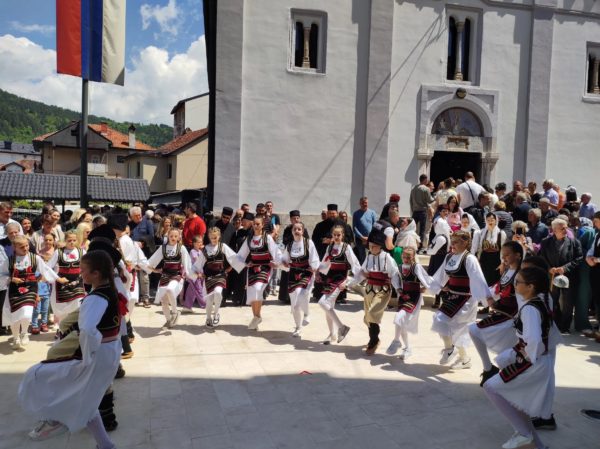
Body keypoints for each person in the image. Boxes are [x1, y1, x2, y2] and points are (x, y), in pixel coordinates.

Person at [19, 250, 122, 448]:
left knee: (37, 374)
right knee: (87, 401)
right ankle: (105, 445)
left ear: (96, 274)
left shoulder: (96, 298)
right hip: (108, 353)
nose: (80, 274)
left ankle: (55, 417)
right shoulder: (110, 290)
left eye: (83, 270)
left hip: (98, 356)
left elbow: (88, 330)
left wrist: (87, 355)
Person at [482, 266, 560, 449]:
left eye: (518, 282)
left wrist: (527, 356)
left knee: (491, 387)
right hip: (540, 361)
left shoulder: (530, 309)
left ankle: (524, 435)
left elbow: (534, 340)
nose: (514, 285)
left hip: (534, 363)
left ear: (530, 286)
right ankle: (537, 445)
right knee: (519, 403)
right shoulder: (540, 301)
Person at [429, 231, 493, 370]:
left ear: (465, 243)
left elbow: (478, 279)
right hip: (452, 297)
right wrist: (435, 286)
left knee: (452, 326)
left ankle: (451, 350)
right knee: (445, 323)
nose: (452, 244)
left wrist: (487, 297)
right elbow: (441, 276)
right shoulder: (449, 257)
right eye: (452, 241)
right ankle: (463, 358)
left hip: (466, 299)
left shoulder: (469, 259)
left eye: (456, 242)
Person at [469, 241, 523, 386]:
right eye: (502, 255)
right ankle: (490, 369)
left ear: (518, 255)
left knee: (475, 330)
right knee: (475, 331)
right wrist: (490, 299)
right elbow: (500, 290)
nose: (504, 258)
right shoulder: (507, 271)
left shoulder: (521, 274)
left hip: (512, 316)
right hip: (502, 312)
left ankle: (493, 371)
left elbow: (521, 298)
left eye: (507, 255)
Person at [1, 236, 59, 350]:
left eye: (26, 245)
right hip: (14, 291)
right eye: (21, 247)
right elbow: (1, 275)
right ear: (14, 247)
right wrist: (11, 279)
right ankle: (16, 338)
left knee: (27, 313)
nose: (25, 248)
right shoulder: (9, 260)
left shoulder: (35, 258)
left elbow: (46, 269)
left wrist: (57, 279)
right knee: (15, 316)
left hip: (31, 289)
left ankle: (24, 333)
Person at [351, 226, 401, 355]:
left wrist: (399, 290)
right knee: (368, 317)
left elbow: (395, 273)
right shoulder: (369, 257)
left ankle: (374, 340)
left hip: (383, 290)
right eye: (370, 246)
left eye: (373, 246)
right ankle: (373, 339)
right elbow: (362, 272)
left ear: (380, 246)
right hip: (369, 289)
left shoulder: (387, 258)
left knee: (372, 313)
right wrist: (350, 283)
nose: (371, 248)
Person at [234, 215, 281, 330]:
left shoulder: (267, 238)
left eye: (258, 224)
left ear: (263, 225)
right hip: (253, 268)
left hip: (265, 268)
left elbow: (276, 252)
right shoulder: (249, 239)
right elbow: (240, 255)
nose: (255, 226)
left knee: (258, 288)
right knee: (252, 293)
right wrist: (245, 263)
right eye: (254, 224)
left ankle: (257, 317)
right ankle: (256, 317)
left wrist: (277, 263)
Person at [317, 224, 360, 345]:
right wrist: (317, 271)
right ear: (332, 235)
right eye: (334, 235)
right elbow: (325, 263)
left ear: (343, 235)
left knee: (322, 303)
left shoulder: (346, 247)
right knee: (328, 307)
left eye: (338, 235)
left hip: (340, 279)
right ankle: (332, 334)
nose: (336, 237)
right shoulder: (330, 247)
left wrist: (349, 281)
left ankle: (342, 327)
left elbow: (355, 264)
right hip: (330, 279)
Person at [538, 218, 583, 333]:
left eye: (566, 227)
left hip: (569, 276)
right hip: (552, 276)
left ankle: (565, 326)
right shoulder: (545, 242)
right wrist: (549, 268)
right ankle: (556, 323)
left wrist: (565, 268)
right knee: (553, 301)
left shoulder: (574, 242)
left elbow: (579, 258)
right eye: (562, 228)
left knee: (568, 303)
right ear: (554, 230)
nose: (565, 230)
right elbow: (541, 257)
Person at [386, 247, 430, 359]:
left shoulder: (416, 267)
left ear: (413, 257)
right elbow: (395, 279)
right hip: (404, 296)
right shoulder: (399, 267)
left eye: (408, 257)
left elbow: (425, 277)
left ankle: (396, 341)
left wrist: (425, 287)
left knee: (399, 318)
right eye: (404, 257)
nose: (406, 259)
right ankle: (407, 348)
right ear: (401, 256)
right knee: (402, 323)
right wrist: (398, 289)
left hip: (414, 297)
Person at [147, 229, 192, 329]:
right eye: (171, 236)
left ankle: (175, 312)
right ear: (168, 236)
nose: (173, 238)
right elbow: (152, 261)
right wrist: (152, 269)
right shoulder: (163, 248)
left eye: (175, 236)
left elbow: (187, 262)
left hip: (177, 275)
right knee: (164, 301)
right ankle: (168, 321)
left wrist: (187, 273)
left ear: (179, 237)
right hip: (165, 275)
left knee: (170, 289)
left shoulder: (181, 248)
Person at [280, 222, 320, 337]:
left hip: (306, 273)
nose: (297, 231)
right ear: (292, 231)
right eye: (295, 229)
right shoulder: (289, 245)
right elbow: (285, 259)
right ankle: (298, 327)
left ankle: (307, 313)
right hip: (293, 275)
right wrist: (284, 263)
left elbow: (314, 258)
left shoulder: (309, 243)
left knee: (301, 295)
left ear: (303, 231)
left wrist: (314, 267)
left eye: (299, 229)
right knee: (294, 304)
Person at [192, 227, 237, 327]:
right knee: (209, 300)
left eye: (215, 237)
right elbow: (198, 264)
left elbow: (234, 257)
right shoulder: (205, 249)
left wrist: (231, 267)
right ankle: (208, 318)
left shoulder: (222, 246)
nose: (214, 239)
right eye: (212, 238)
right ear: (209, 237)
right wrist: (197, 273)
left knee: (218, 292)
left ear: (219, 236)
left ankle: (216, 314)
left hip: (220, 275)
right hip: (209, 276)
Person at [47, 230, 86, 321]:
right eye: (69, 240)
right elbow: (48, 267)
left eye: (74, 240)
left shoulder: (82, 252)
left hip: (77, 283)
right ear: (65, 241)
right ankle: (62, 327)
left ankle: (75, 326)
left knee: (78, 304)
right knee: (62, 308)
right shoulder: (59, 252)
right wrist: (58, 278)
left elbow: (88, 266)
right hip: (62, 284)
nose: (72, 242)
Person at [279, 210, 310, 304]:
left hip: (301, 258)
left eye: (297, 218)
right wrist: (294, 237)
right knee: (287, 276)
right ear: (290, 219)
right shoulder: (287, 229)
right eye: (294, 218)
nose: (296, 220)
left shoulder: (303, 229)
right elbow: (284, 241)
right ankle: (286, 298)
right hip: (290, 255)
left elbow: (307, 241)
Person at [472, 213, 507, 287]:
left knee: (494, 282)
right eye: (488, 220)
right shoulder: (482, 233)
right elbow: (480, 248)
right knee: (484, 281)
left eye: (492, 220)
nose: (490, 222)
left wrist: (503, 263)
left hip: (496, 260)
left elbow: (503, 250)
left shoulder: (501, 233)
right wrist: (477, 260)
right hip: (484, 260)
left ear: (496, 221)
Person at [427, 206, 451, 308]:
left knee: (441, 279)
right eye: (443, 211)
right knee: (437, 279)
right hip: (437, 258)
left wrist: (429, 249)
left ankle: (442, 300)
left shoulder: (441, 237)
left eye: (447, 211)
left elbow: (431, 251)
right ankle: (438, 300)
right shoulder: (439, 235)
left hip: (440, 259)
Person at [585, 212, 600, 342]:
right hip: (595, 272)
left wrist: (597, 260)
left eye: (596, 221)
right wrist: (588, 258)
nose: (594, 223)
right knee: (597, 300)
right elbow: (591, 249)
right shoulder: (597, 234)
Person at [182, 235, 206, 313]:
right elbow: (196, 262)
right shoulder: (193, 251)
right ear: (194, 243)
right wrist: (198, 273)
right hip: (194, 274)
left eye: (201, 242)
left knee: (191, 291)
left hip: (199, 274)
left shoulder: (200, 252)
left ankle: (187, 306)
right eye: (198, 242)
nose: (200, 243)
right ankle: (206, 304)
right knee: (199, 290)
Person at [409, 174, 434, 250]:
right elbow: (430, 200)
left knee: (412, 229)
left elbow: (410, 201)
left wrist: (413, 209)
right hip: (423, 211)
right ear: (425, 180)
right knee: (422, 230)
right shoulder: (426, 189)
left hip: (415, 211)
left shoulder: (413, 189)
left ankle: (411, 243)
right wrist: (435, 197)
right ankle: (420, 247)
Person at [352, 197, 377, 264]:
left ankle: (371, 268)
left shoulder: (372, 213)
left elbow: (375, 226)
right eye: (362, 203)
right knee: (362, 256)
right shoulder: (356, 214)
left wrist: (369, 237)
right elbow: (354, 227)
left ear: (367, 203)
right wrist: (362, 237)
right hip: (359, 240)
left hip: (370, 238)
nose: (364, 204)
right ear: (360, 203)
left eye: (365, 203)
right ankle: (362, 269)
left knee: (372, 255)